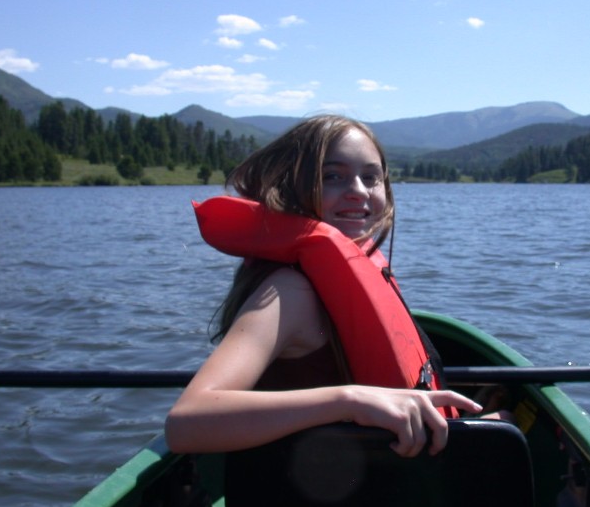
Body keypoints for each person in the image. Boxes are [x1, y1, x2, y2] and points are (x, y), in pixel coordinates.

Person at [165, 115, 483, 463]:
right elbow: (186, 422)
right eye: (333, 176)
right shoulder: (290, 292)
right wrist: (350, 400)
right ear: (290, 187)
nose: (358, 191)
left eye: (371, 178)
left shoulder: (346, 275)